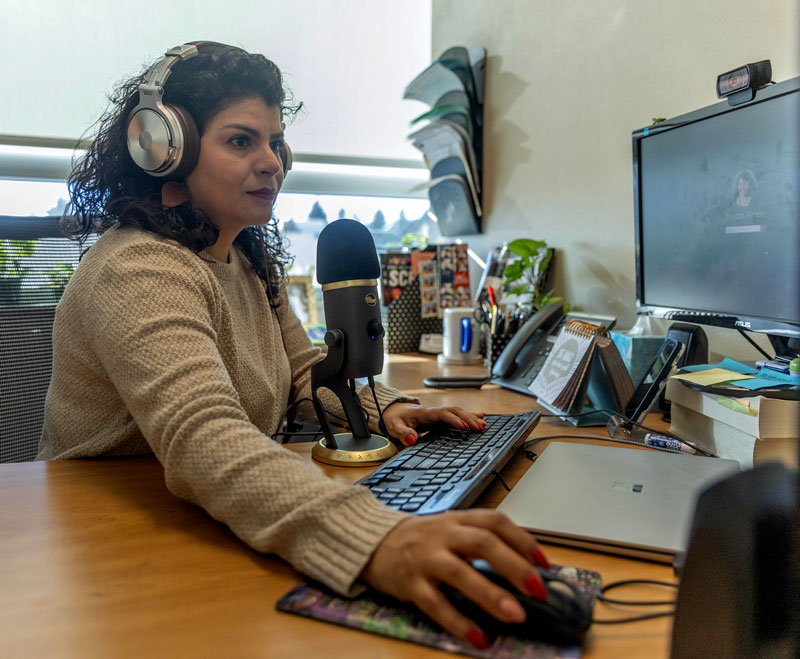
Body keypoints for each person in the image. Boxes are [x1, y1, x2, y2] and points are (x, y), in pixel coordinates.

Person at [37, 42, 550, 650]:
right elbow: (205, 433)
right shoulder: (138, 269)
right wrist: (376, 538)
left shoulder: (245, 258)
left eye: (274, 142)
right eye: (240, 141)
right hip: (111, 545)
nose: (272, 163)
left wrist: (387, 409)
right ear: (163, 150)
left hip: (198, 516)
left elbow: (304, 371)